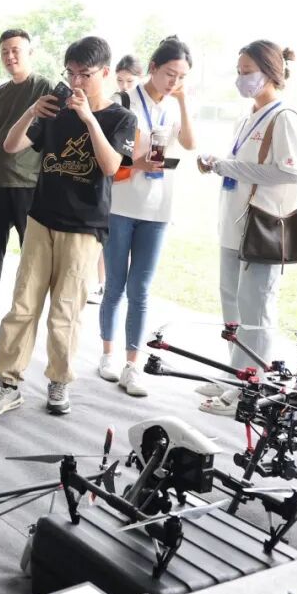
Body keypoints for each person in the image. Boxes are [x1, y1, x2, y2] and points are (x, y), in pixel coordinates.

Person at [0, 36, 137, 418]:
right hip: (41, 218)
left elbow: (111, 166)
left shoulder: (121, 118)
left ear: (105, 73)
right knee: (23, 304)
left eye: (85, 74)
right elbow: (10, 146)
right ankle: (8, 382)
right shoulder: (54, 111)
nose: (76, 82)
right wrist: (32, 111)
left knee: (65, 310)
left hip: (84, 228)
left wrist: (88, 119)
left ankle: (59, 380)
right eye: (70, 73)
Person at [196, 40, 297, 415]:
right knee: (232, 304)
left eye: (247, 72)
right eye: (239, 71)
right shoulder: (247, 117)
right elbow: (240, 165)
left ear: (270, 72)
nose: (240, 79)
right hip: (234, 223)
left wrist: (227, 167)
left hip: (262, 228)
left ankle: (251, 390)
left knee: (255, 312)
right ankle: (235, 374)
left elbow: (290, 172)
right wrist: (217, 162)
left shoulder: (283, 117)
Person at [97, 37, 196, 397]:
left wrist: (182, 101)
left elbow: (189, 144)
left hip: (158, 209)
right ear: (152, 68)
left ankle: (132, 365)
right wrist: (138, 164)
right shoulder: (123, 101)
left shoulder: (175, 104)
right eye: (170, 73)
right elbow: (107, 155)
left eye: (181, 76)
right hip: (120, 205)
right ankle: (108, 354)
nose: (174, 81)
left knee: (140, 289)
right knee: (115, 286)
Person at [0, 30, 54, 325]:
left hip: (28, 183)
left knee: (31, 251)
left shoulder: (44, 87)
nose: (10, 56)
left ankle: (29, 308)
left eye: (16, 50)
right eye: (5, 51)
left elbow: (54, 130)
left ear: (30, 52)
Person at [87, 56, 144, 305]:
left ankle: (109, 285)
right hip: (113, 183)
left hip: (141, 188)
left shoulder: (145, 108)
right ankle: (101, 283)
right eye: (120, 80)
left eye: (130, 81)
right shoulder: (113, 103)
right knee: (106, 240)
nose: (124, 86)